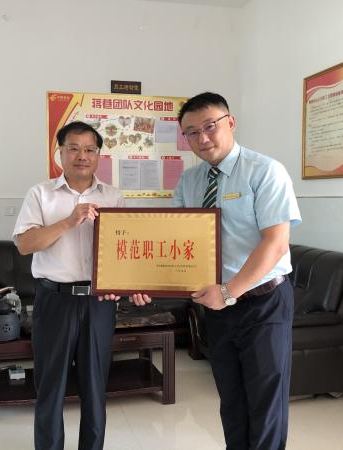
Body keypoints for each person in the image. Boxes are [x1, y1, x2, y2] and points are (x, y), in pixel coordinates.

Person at [132, 92, 301, 449]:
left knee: (265, 402)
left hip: (263, 302)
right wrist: (144, 280)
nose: (203, 138)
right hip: (216, 307)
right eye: (192, 132)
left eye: (210, 126)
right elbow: (175, 241)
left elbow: (275, 243)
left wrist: (229, 291)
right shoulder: (189, 181)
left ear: (230, 122)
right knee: (232, 400)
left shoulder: (265, 171)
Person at [13, 121, 147, 450]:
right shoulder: (40, 194)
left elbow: (124, 250)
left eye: (89, 149)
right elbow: (25, 244)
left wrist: (134, 283)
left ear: (98, 155)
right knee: (50, 387)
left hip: (99, 302)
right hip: (54, 300)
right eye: (73, 148)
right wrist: (69, 221)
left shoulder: (113, 196)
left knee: (95, 387)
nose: (81, 156)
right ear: (60, 153)